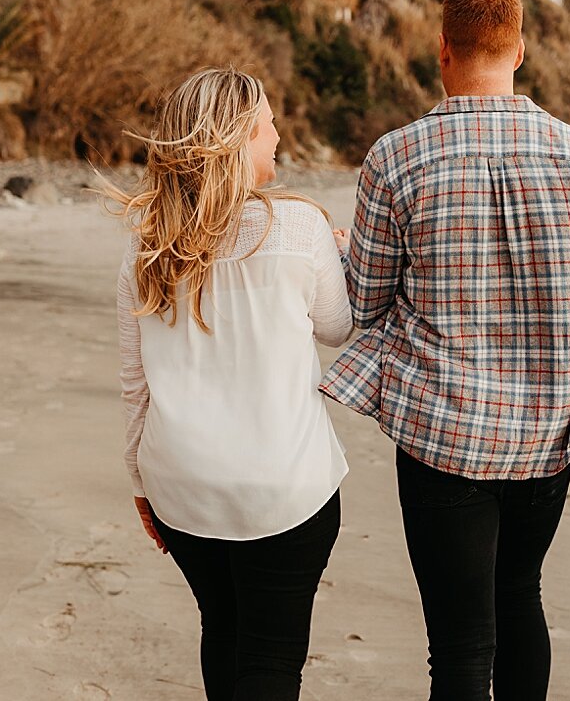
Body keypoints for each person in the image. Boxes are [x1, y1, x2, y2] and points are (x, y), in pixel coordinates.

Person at [320, 0, 570, 700]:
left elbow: (365, 303)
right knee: (520, 594)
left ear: (441, 50)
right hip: (545, 433)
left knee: (457, 642)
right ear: (519, 52)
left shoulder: (395, 157)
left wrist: (346, 250)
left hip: (442, 430)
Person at [107, 68, 352, 701]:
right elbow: (338, 327)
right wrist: (339, 256)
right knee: (270, 661)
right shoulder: (298, 228)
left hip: (180, 485)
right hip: (283, 487)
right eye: (268, 121)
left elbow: (136, 388)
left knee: (222, 630)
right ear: (240, 136)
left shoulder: (147, 248)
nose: (278, 132)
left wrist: (141, 485)